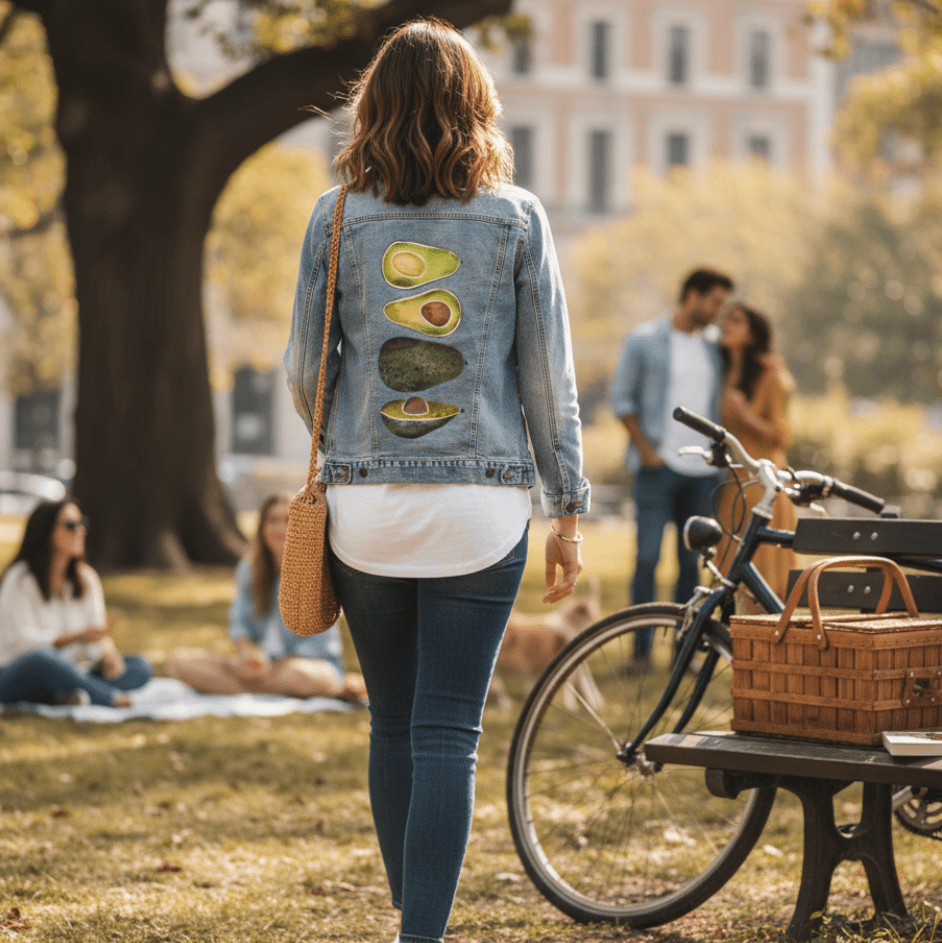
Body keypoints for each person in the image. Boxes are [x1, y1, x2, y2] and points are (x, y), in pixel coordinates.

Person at [283, 19, 589, 943]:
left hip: (364, 509)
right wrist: (567, 508)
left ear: (373, 109)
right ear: (475, 106)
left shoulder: (333, 217)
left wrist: (351, 444)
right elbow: (548, 381)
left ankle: (410, 915)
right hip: (481, 508)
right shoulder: (518, 216)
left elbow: (304, 370)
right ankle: (422, 933)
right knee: (447, 731)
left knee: (391, 721)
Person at [610, 267, 734, 669]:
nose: (719, 311)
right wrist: (646, 450)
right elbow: (622, 398)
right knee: (646, 559)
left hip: (703, 474)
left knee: (690, 567)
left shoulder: (715, 347)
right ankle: (641, 652)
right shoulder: (645, 340)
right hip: (657, 468)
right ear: (693, 296)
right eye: (715, 302)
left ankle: (684, 651)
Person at [167, 493, 364, 700]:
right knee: (178, 662)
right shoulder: (249, 568)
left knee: (305, 676)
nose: (280, 528)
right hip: (260, 667)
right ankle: (263, 688)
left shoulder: (317, 572)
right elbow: (239, 624)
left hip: (306, 665)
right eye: (273, 520)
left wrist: (272, 666)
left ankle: (238, 687)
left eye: (288, 520)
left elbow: (317, 646)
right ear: (262, 527)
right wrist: (246, 656)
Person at [0, 498, 152, 707]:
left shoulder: (86, 578)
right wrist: (73, 638)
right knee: (44, 660)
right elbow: (16, 642)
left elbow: (95, 639)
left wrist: (106, 658)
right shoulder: (20, 578)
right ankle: (106, 697)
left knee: (140, 667)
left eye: (83, 523)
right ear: (46, 531)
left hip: (74, 670)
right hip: (18, 673)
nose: (80, 530)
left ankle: (70, 693)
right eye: (70, 525)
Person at [716, 303, 797, 600]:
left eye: (736, 321)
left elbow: (782, 434)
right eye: (726, 319)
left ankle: (765, 642)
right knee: (728, 571)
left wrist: (745, 414)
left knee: (762, 579)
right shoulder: (725, 370)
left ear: (752, 334)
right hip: (733, 482)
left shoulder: (771, 374)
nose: (726, 325)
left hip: (763, 483)